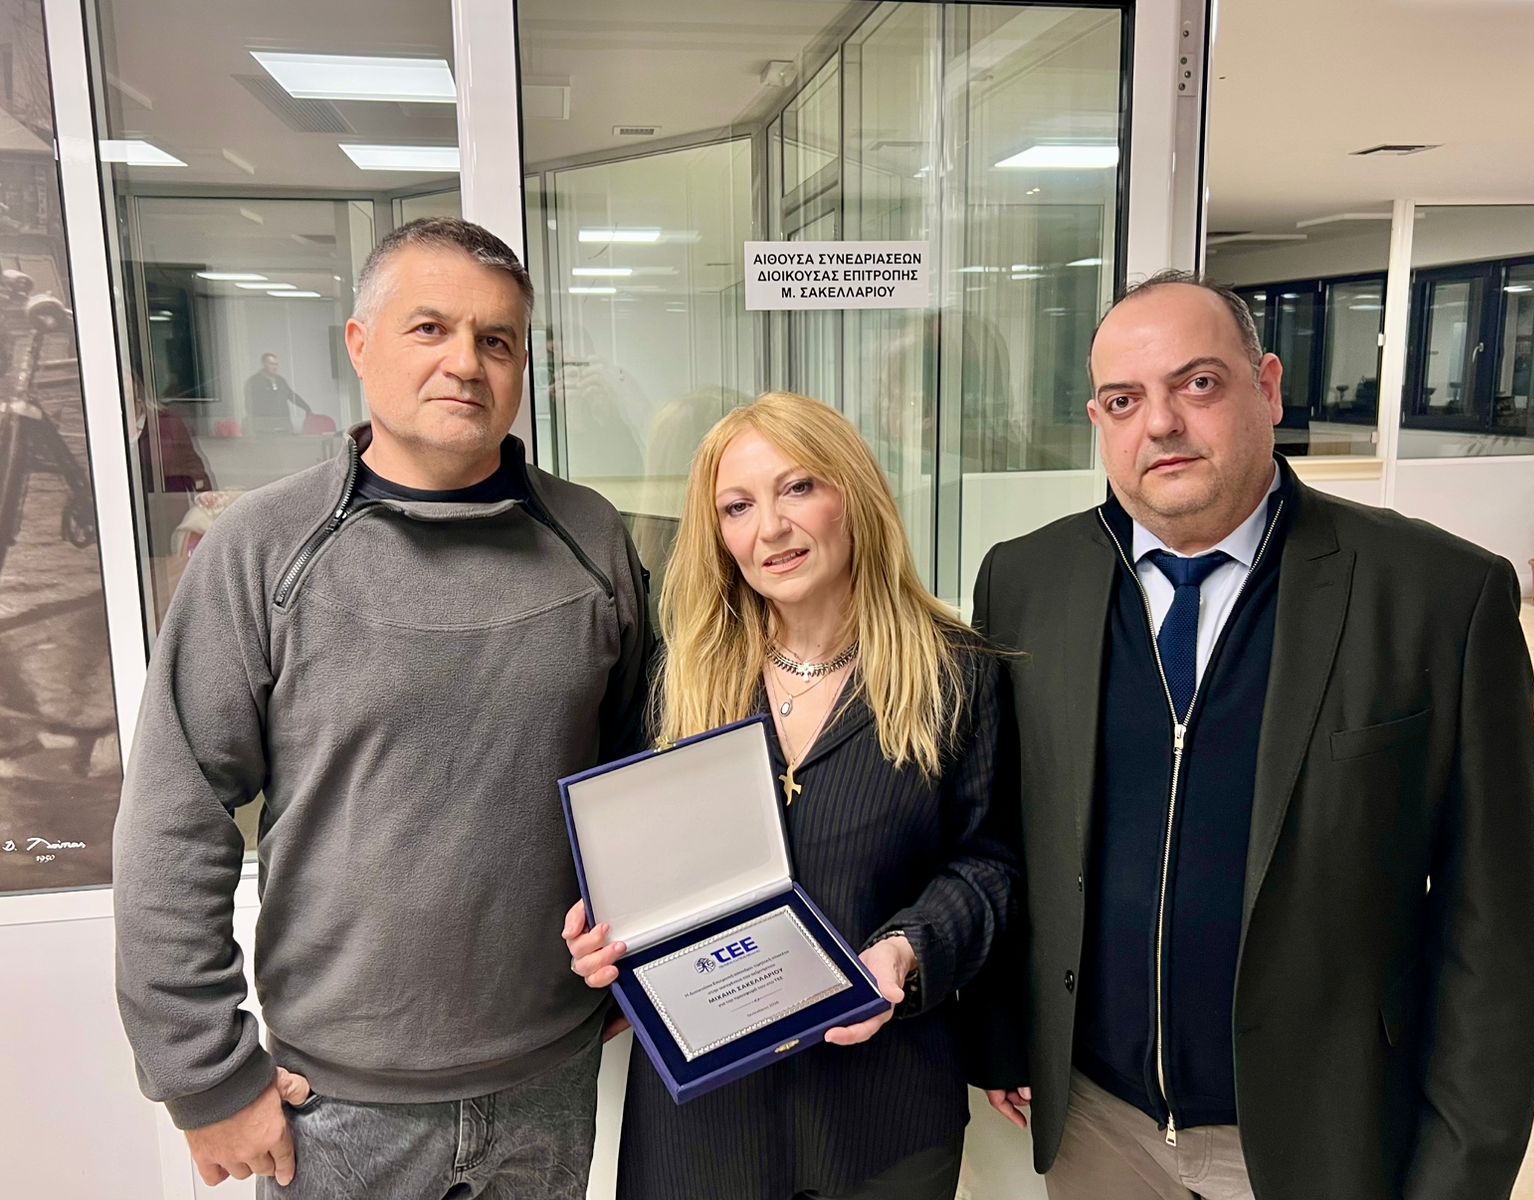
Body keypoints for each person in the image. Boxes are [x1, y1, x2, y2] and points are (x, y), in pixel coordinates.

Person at [967, 270, 1534, 1199]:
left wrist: (1460, 1176)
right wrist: (1005, 1032)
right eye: (1124, 400)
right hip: (1096, 1125)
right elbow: (1004, 831)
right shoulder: (1026, 581)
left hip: (1313, 1134)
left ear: (1268, 388)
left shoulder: (1437, 597)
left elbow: (1497, 928)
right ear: (1098, 420)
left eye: (1196, 383)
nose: (1160, 423)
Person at [112, 217, 654, 1198]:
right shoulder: (262, 550)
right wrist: (205, 1074)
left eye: (496, 340)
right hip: (336, 1105)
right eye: (430, 328)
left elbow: (633, 771)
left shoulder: (591, 538)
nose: (466, 363)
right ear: (360, 345)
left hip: (552, 1077)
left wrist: (642, 952)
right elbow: (174, 816)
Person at [564, 390, 1018, 1200]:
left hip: (884, 1114)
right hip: (704, 1124)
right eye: (737, 507)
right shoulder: (678, 677)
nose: (769, 528)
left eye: (798, 488)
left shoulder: (954, 672)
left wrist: (904, 953)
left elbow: (987, 865)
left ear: (855, 495)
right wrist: (603, 930)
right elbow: (634, 866)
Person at [245, 352, 313, 434]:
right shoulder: (254, 381)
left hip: (284, 426)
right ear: (264, 364)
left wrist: (306, 408)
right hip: (265, 429)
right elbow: (249, 405)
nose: (275, 367)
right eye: (272, 364)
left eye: (276, 364)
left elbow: (291, 395)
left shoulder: (280, 380)